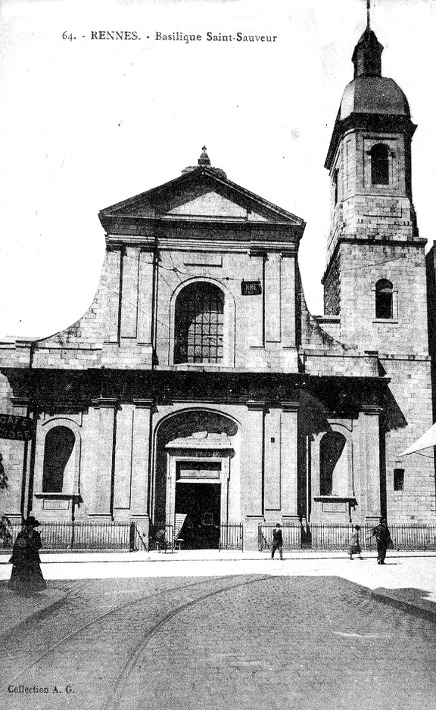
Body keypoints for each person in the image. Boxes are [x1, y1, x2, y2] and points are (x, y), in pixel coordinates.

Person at [8, 517, 46, 594]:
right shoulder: (22, 534)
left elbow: (39, 545)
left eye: (31, 525)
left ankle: (32, 589)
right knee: (23, 573)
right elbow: (16, 546)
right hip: (23, 557)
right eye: (28, 525)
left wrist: (34, 545)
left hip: (32, 556)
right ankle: (23, 589)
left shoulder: (36, 534)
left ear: (33, 526)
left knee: (33, 573)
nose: (29, 526)